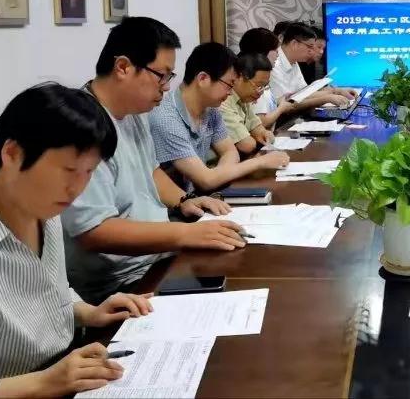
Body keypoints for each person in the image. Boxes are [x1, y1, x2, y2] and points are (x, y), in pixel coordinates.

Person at [0, 83, 153, 397]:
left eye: (89, 172)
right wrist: (42, 383)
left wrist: (87, 312)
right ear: (13, 154)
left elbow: (43, 287)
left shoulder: (44, 206)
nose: (77, 189)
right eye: (68, 169)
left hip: (68, 368)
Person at [61, 16, 246, 305]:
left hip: (159, 255)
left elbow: (152, 171)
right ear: (123, 67)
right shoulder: (81, 128)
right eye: (162, 75)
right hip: (122, 282)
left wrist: (184, 200)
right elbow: (94, 231)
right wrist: (184, 234)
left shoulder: (134, 112)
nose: (166, 87)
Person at [149, 42, 290, 191]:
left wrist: (219, 175)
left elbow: (230, 152)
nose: (230, 92)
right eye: (229, 84)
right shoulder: (166, 118)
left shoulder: (211, 109)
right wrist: (260, 162)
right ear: (203, 79)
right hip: (178, 202)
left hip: (202, 195)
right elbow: (206, 180)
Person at [269, 22, 355, 108]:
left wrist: (336, 91)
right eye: (310, 46)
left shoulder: (293, 61)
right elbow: (287, 104)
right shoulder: (274, 65)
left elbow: (303, 94)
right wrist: (326, 98)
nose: (311, 51)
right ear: (294, 44)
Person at [220, 54, 280, 154]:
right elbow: (247, 145)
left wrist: (265, 134)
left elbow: (259, 130)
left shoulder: (244, 99)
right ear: (239, 77)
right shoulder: (223, 102)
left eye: (264, 86)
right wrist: (258, 135)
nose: (260, 92)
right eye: (258, 85)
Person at [239, 27, 296, 130]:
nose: (278, 54)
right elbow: (261, 122)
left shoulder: (261, 75)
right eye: (275, 50)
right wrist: (281, 108)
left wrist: (279, 101)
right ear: (262, 52)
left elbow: (265, 107)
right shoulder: (253, 79)